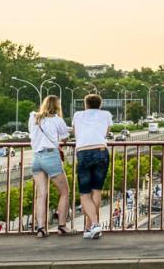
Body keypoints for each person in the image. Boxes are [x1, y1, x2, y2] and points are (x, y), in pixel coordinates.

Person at [28, 95, 70, 237]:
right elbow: (64, 137)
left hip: (36, 158)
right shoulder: (58, 120)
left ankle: (41, 229)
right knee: (64, 192)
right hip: (51, 156)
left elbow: (31, 135)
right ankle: (62, 226)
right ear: (57, 106)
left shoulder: (34, 117)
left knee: (41, 194)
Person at [72, 93, 112, 239]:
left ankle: (94, 225)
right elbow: (106, 133)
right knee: (97, 191)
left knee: (84, 193)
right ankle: (90, 227)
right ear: (100, 105)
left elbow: (76, 133)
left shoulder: (78, 115)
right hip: (101, 150)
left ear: (85, 104)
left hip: (83, 152)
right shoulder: (106, 114)